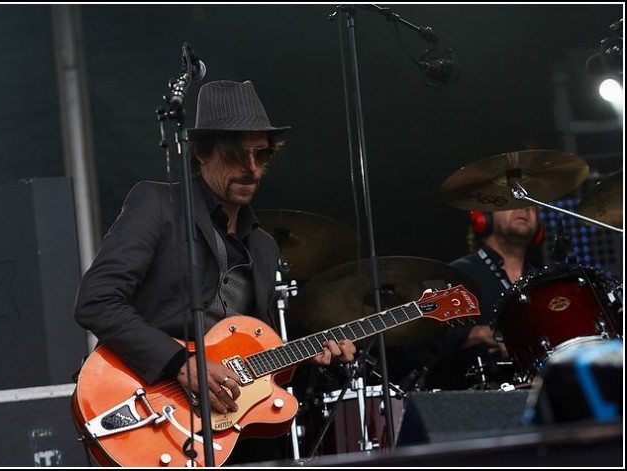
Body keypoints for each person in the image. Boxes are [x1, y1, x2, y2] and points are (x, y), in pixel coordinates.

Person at [73, 80, 356, 464]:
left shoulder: (263, 247)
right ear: (201, 152)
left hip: (232, 427)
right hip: (153, 408)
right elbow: (96, 301)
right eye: (236, 155)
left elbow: (260, 355)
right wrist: (180, 364)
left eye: (260, 156)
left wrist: (315, 362)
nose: (251, 169)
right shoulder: (157, 205)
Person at [404, 206, 543, 390]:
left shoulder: (542, 283)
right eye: (508, 202)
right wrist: (476, 334)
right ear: (482, 218)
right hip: (474, 403)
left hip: (541, 399)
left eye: (530, 205)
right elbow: (418, 344)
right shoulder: (455, 276)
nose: (524, 208)